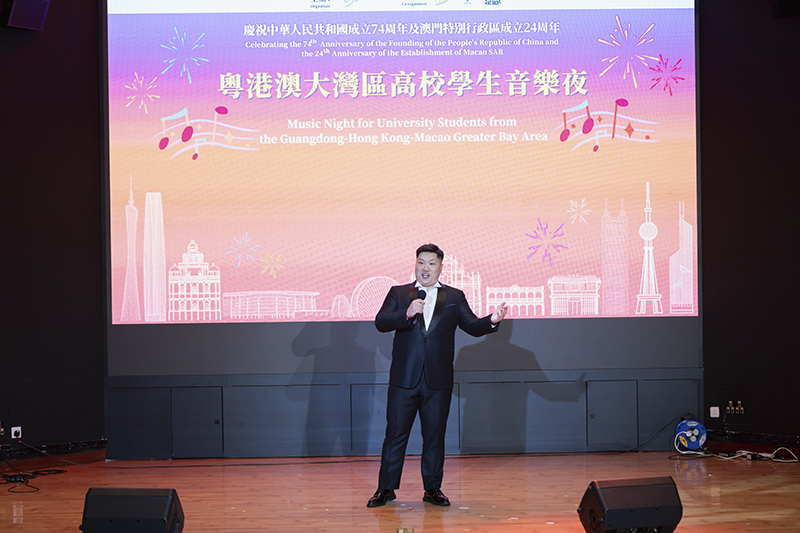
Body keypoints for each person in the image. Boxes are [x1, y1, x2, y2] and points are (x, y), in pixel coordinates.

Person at [367, 243, 508, 507]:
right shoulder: (399, 293)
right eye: (421, 262)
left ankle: (432, 489)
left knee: (434, 436)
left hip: (438, 380)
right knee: (395, 435)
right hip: (404, 380)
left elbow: (472, 325)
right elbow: (380, 321)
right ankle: (385, 489)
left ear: (441, 267)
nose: (425, 268)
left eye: (431, 263)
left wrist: (492, 320)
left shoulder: (454, 296)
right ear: (415, 264)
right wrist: (406, 313)